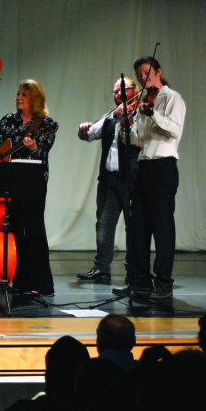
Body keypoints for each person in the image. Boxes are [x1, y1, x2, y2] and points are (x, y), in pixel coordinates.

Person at [113, 57, 186, 300]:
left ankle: (164, 283)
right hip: (142, 167)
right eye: (140, 74)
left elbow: (175, 130)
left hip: (163, 167)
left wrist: (152, 113)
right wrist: (127, 123)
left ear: (158, 72)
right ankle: (139, 282)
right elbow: (136, 140)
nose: (143, 77)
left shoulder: (171, 98)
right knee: (138, 228)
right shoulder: (145, 100)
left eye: (146, 72)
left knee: (162, 228)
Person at [0, 79, 58, 296]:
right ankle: (19, 280)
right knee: (15, 230)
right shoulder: (10, 119)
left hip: (33, 180)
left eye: (23, 95)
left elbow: (42, 154)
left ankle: (41, 283)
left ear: (34, 98)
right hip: (11, 179)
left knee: (34, 230)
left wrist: (33, 146)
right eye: (18, 93)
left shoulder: (46, 124)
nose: (18, 97)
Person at [75, 78, 140, 284]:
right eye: (115, 92)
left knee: (133, 227)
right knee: (104, 225)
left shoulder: (140, 115)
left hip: (131, 180)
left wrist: (125, 120)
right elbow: (89, 136)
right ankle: (101, 268)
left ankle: (134, 270)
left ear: (135, 91)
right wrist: (83, 129)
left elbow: (136, 141)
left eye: (123, 90)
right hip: (108, 179)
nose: (118, 94)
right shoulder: (110, 116)